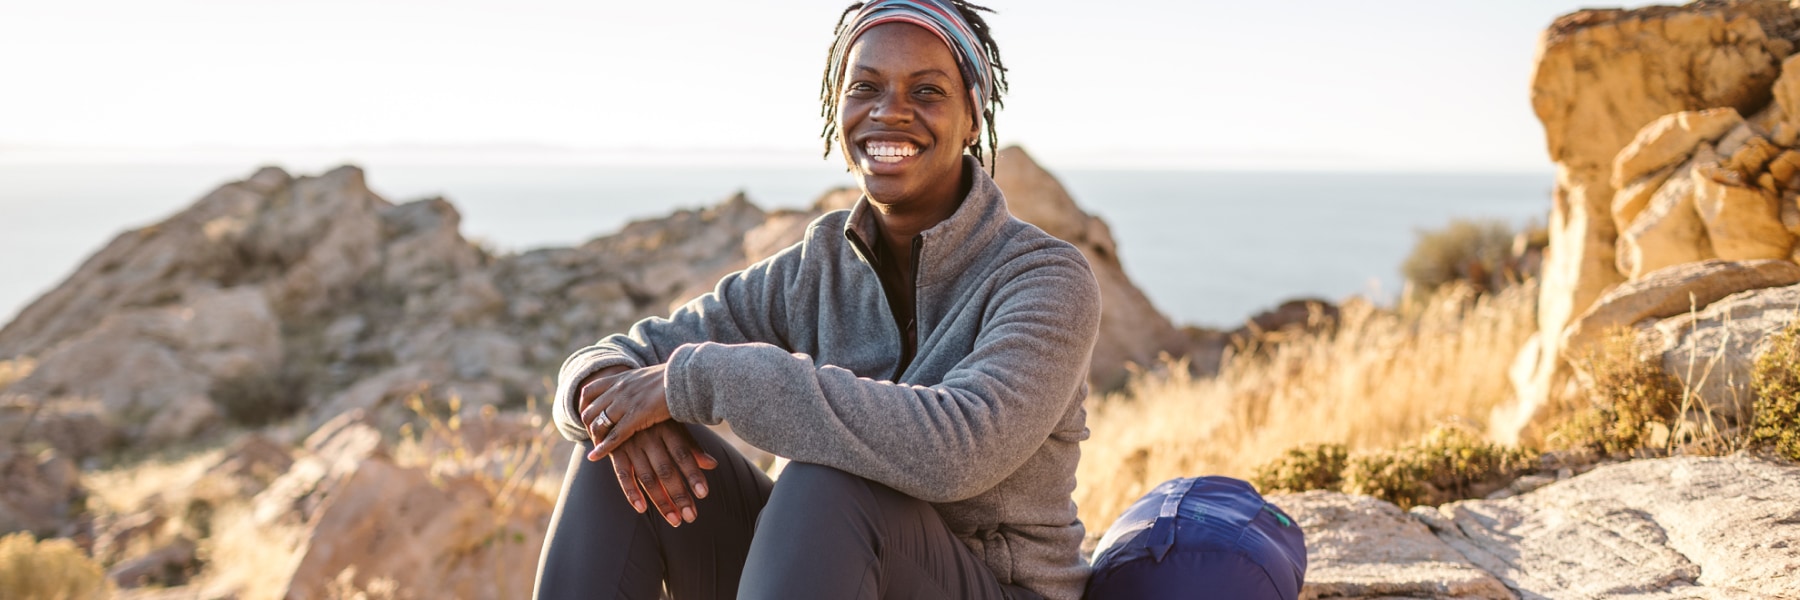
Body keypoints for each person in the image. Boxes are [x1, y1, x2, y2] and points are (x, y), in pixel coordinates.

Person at [532, 2, 1101, 598]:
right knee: (616, 456)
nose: (890, 111)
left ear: (972, 119)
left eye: (927, 90)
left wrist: (705, 378)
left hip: (989, 587)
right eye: (865, 87)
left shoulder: (1044, 277)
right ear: (838, 107)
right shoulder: (819, 264)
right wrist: (606, 404)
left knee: (826, 481)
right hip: (825, 573)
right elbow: (617, 357)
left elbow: (960, 450)